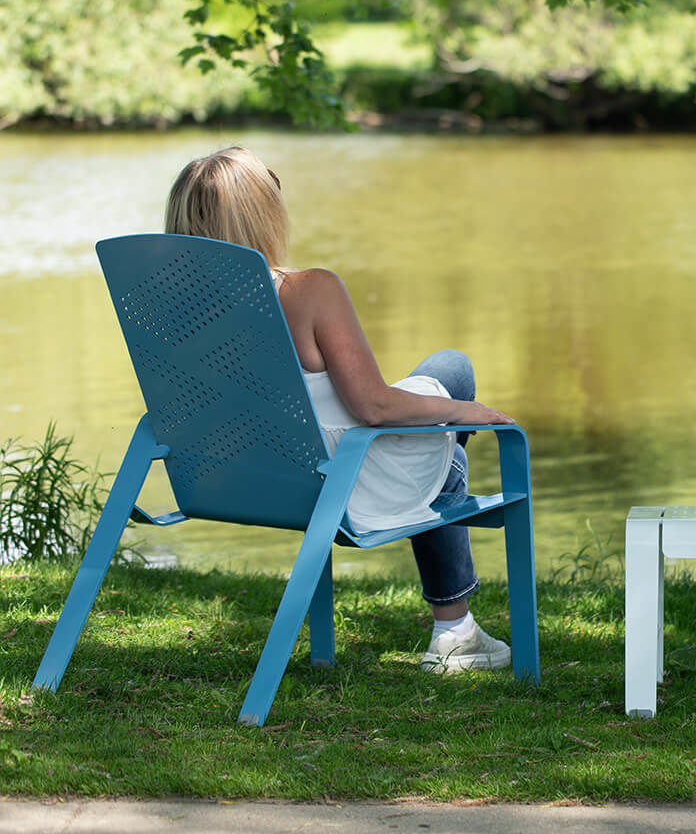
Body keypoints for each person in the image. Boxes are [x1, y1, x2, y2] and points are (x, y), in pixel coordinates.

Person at [164, 146, 517, 674]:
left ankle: (456, 621)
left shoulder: (173, 310)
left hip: (243, 480)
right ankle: (454, 628)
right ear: (262, 212)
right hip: (340, 481)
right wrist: (465, 410)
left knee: (439, 426)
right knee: (453, 372)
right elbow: (373, 407)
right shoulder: (310, 291)